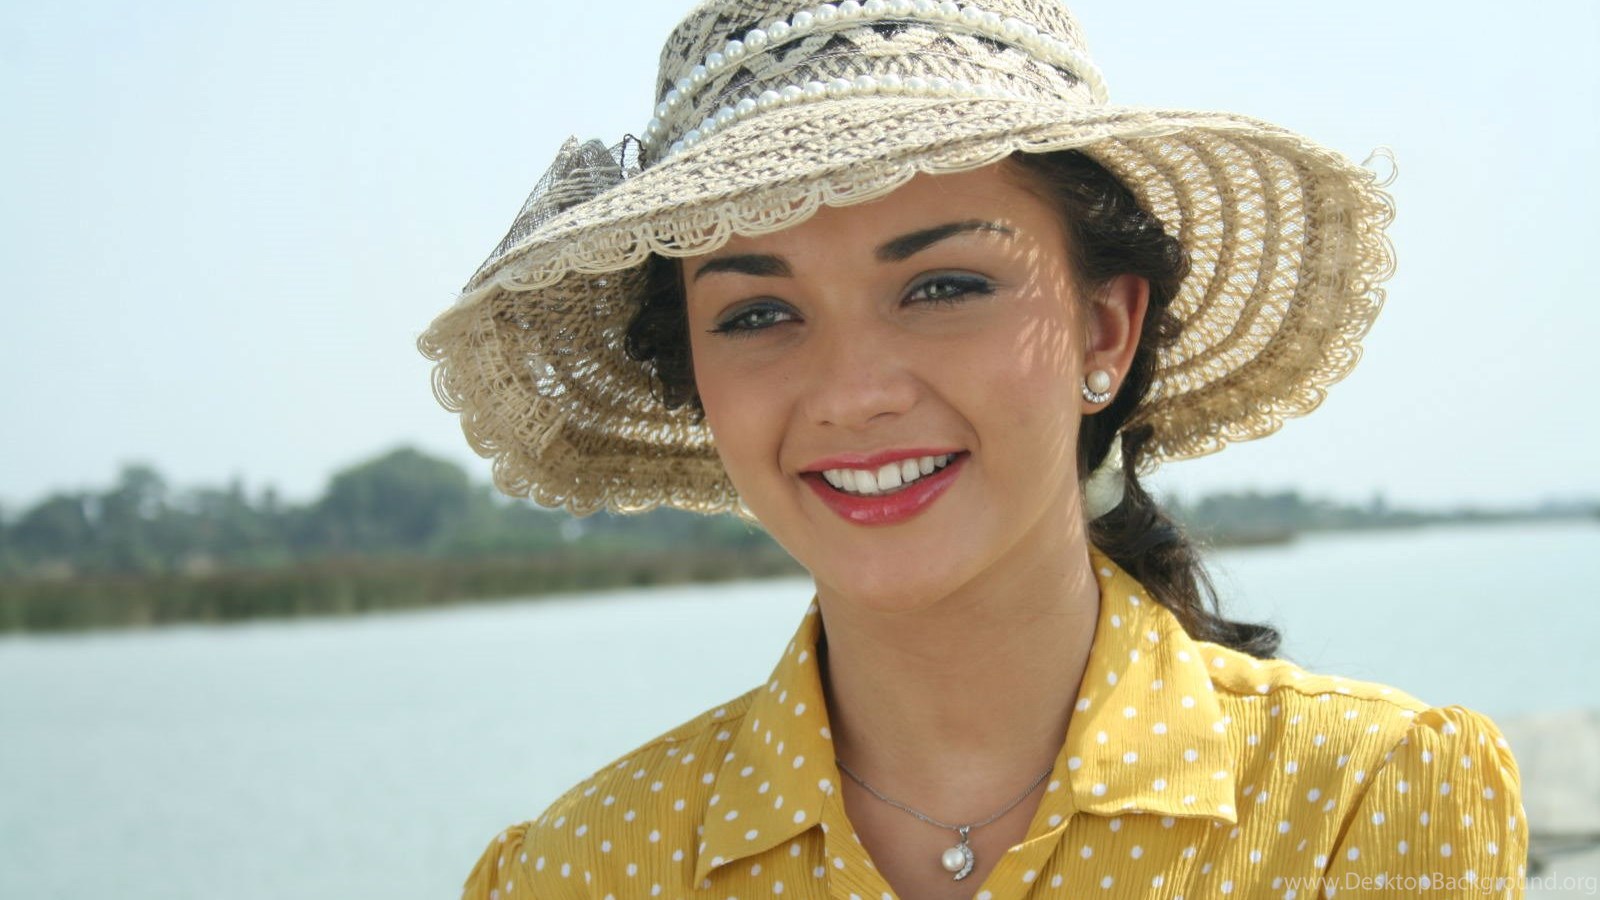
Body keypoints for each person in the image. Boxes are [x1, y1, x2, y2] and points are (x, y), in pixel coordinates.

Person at [420, 1, 1528, 897]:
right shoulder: (581, 871)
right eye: (757, 314)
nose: (853, 395)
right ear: (700, 382)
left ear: (1106, 329)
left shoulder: (1366, 803)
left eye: (943, 287)